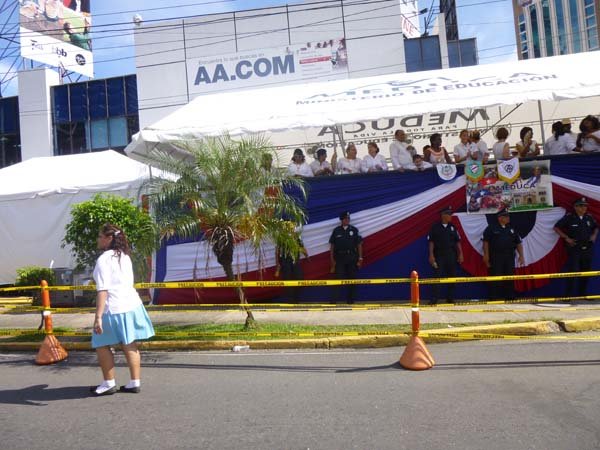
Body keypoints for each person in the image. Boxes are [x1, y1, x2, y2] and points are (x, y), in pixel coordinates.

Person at [91, 224, 155, 396]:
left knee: (101, 344)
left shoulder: (104, 259)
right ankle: (135, 382)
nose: (98, 239)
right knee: (129, 343)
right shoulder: (125, 256)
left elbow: (103, 290)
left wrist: (98, 317)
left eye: (100, 236)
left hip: (113, 308)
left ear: (109, 238)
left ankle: (108, 383)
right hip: (132, 305)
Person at [553, 197, 598, 299]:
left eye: (585, 206)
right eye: (581, 206)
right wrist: (566, 238)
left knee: (586, 272)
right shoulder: (570, 217)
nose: (584, 208)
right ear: (575, 207)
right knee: (573, 271)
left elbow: (595, 227)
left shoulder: (589, 217)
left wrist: (594, 236)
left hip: (587, 248)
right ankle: (568, 295)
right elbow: (556, 227)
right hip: (575, 248)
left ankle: (583, 294)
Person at [482, 210, 525, 300]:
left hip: (509, 257)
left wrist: (521, 256)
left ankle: (510, 296)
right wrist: (486, 255)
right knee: (496, 276)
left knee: (509, 276)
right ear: (500, 218)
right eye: (506, 217)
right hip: (496, 257)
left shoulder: (511, 229)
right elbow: (485, 242)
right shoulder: (491, 228)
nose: (508, 218)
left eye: (508, 216)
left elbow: (518, 243)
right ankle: (494, 297)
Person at [427, 206, 463, 304]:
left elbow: (457, 241)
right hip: (439, 255)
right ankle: (434, 299)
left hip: (451, 255)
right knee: (437, 277)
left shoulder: (453, 227)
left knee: (452, 276)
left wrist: (460, 254)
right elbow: (431, 242)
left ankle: (450, 298)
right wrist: (431, 255)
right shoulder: (435, 227)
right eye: (449, 214)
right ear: (443, 215)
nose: (451, 216)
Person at [329, 211, 363, 304]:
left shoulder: (354, 230)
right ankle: (333, 301)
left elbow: (359, 244)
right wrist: (332, 260)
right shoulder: (336, 230)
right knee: (338, 279)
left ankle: (350, 300)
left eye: (348, 218)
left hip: (351, 258)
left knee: (352, 279)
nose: (347, 220)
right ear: (341, 220)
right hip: (339, 258)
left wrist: (360, 258)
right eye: (345, 218)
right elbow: (332, 246)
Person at [275, 230, 309, 302]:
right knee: (287, 282)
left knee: (300, 279)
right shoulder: (281, 237)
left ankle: (296, 298)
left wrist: (307, 256)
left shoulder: (297, 236)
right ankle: (291, 301)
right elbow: (277, 251)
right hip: (285, 262)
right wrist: (277, 265)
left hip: (295, 261)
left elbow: (302, 247)